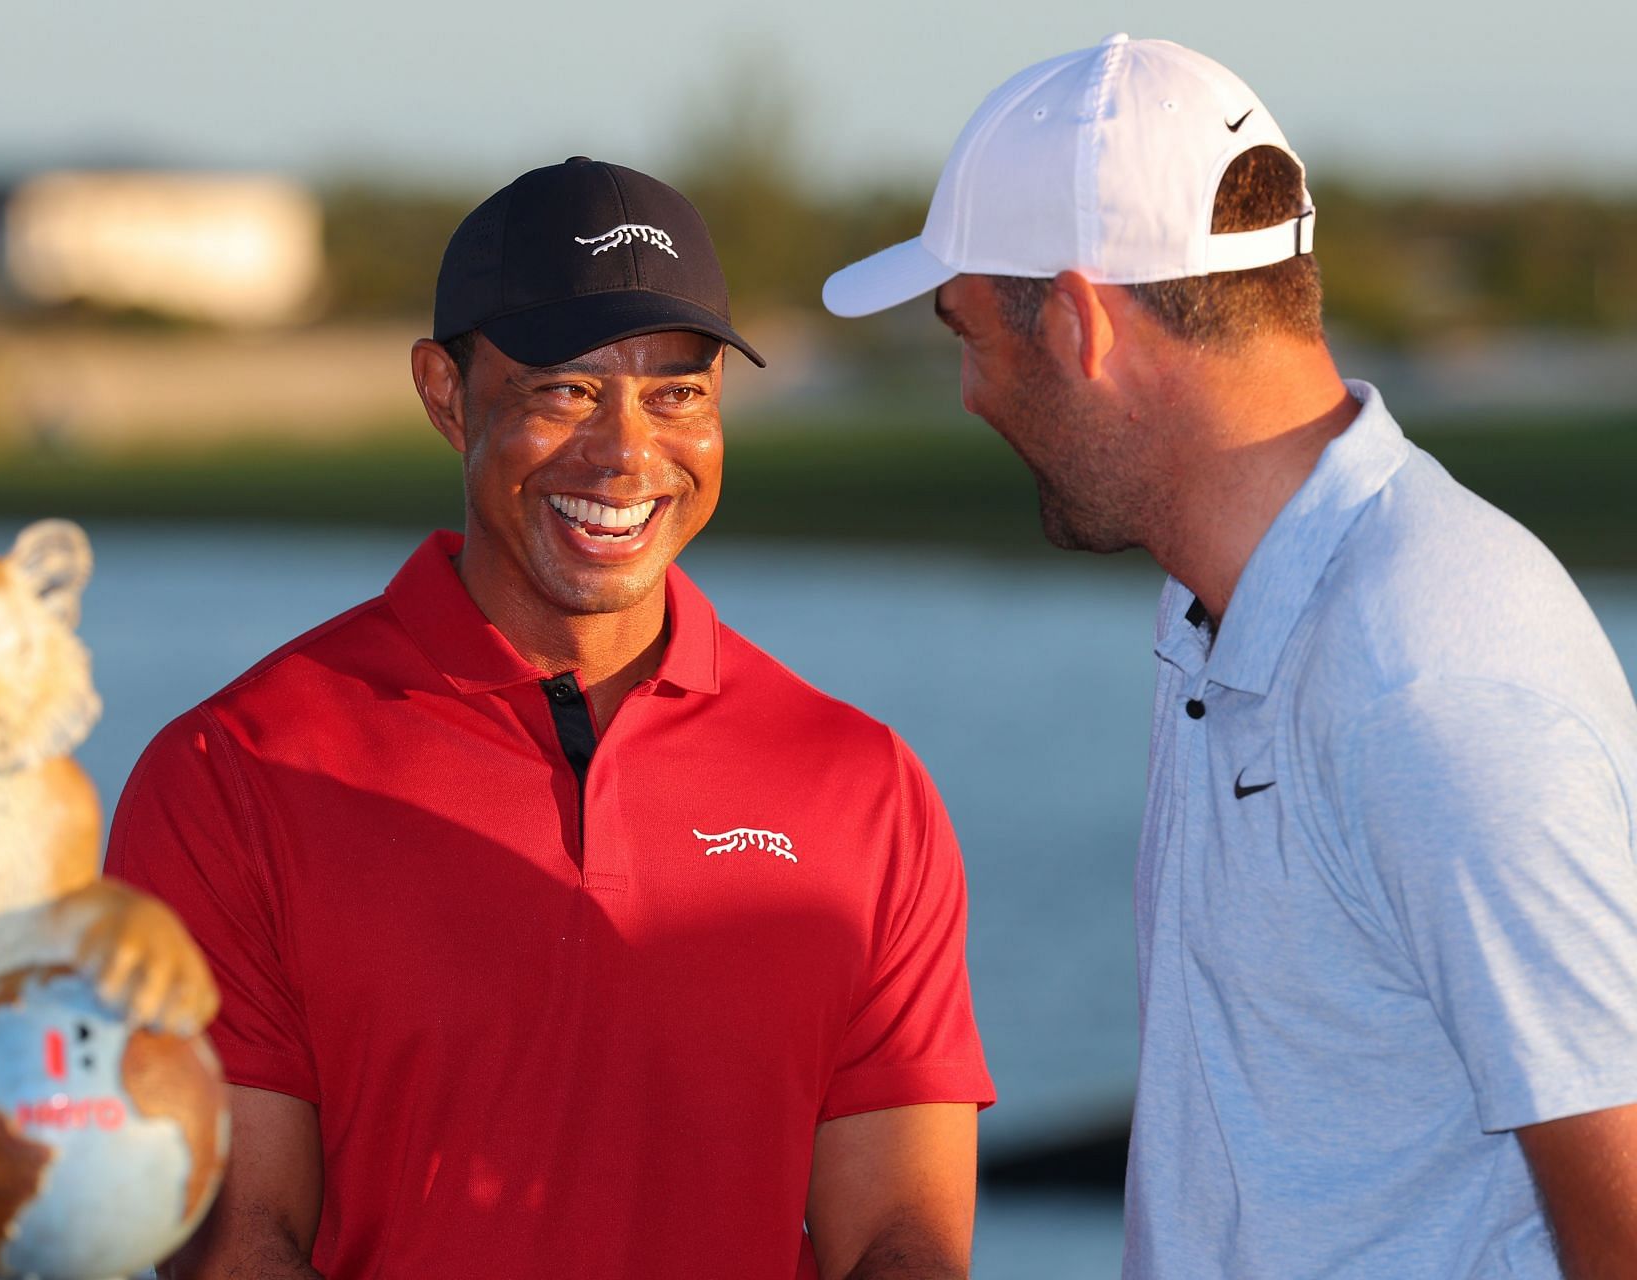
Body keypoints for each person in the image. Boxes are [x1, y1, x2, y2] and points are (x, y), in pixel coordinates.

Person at [822, 33, 1637, 1280]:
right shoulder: (1226, 609)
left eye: (967, 331)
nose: (973, 393)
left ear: (1084, 323)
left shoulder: (1430, 668)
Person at [107, 157, 994, 1280]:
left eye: (678, 393)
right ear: (445, 393)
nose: (627, 454)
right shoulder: (229, 771)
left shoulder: (861, 783)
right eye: (564, 389)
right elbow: (233, 1244)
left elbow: (900, 1238)